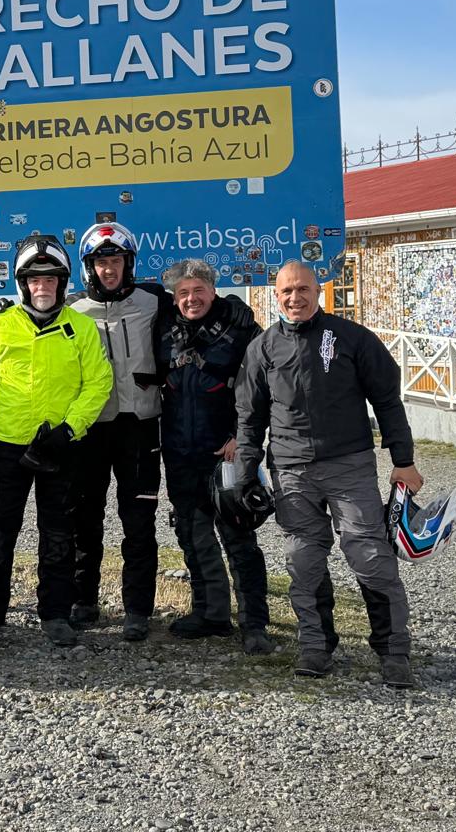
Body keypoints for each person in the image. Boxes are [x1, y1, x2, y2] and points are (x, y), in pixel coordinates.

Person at [236, 261, 423, 688]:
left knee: (370, 556)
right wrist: (245, 475)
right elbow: (249, 419)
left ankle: (394, 651)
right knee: (303, 561)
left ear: (318, 291)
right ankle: (315, 646)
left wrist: (404, 460)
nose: (295, 298)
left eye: (303, 289)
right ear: (276, 295)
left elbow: (387, 401)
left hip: (348, 464)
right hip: (290, 471)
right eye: (286, 291)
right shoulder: (262, 349)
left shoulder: (352, 338)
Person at [0, 235, 113, 648]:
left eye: (50, 279)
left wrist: (69, 429)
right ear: (23, 284)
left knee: (59, 534)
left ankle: (55, 613)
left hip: (61, 447)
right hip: (9, 446)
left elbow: (98, 383)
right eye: (35, 280)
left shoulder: (81, 327)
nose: (43, 287)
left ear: (62, 282)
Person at [156, 259, 272, 654]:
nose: (191, 299)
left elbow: (264, 387)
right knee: (192, 534)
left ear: (213, 290)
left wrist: (243, 437)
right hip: (179, 451)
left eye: (199, 290)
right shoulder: (162, 326)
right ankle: (210, 613)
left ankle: (254, 624)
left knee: (239, 537)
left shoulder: (241, 327)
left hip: (226, 452)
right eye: (183, 292)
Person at [67, 222, 169, 642]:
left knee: (139, 521)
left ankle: (138, 609)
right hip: (91, 427)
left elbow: (198, 305)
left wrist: (232, 310)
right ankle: (83, 599)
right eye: (100, 262)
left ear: (129, 263)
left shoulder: (155, 300)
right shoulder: (72, 309)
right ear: (88, 267)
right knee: (84, 518)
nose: (109, 269)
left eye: (116, 261)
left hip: (139, 426)